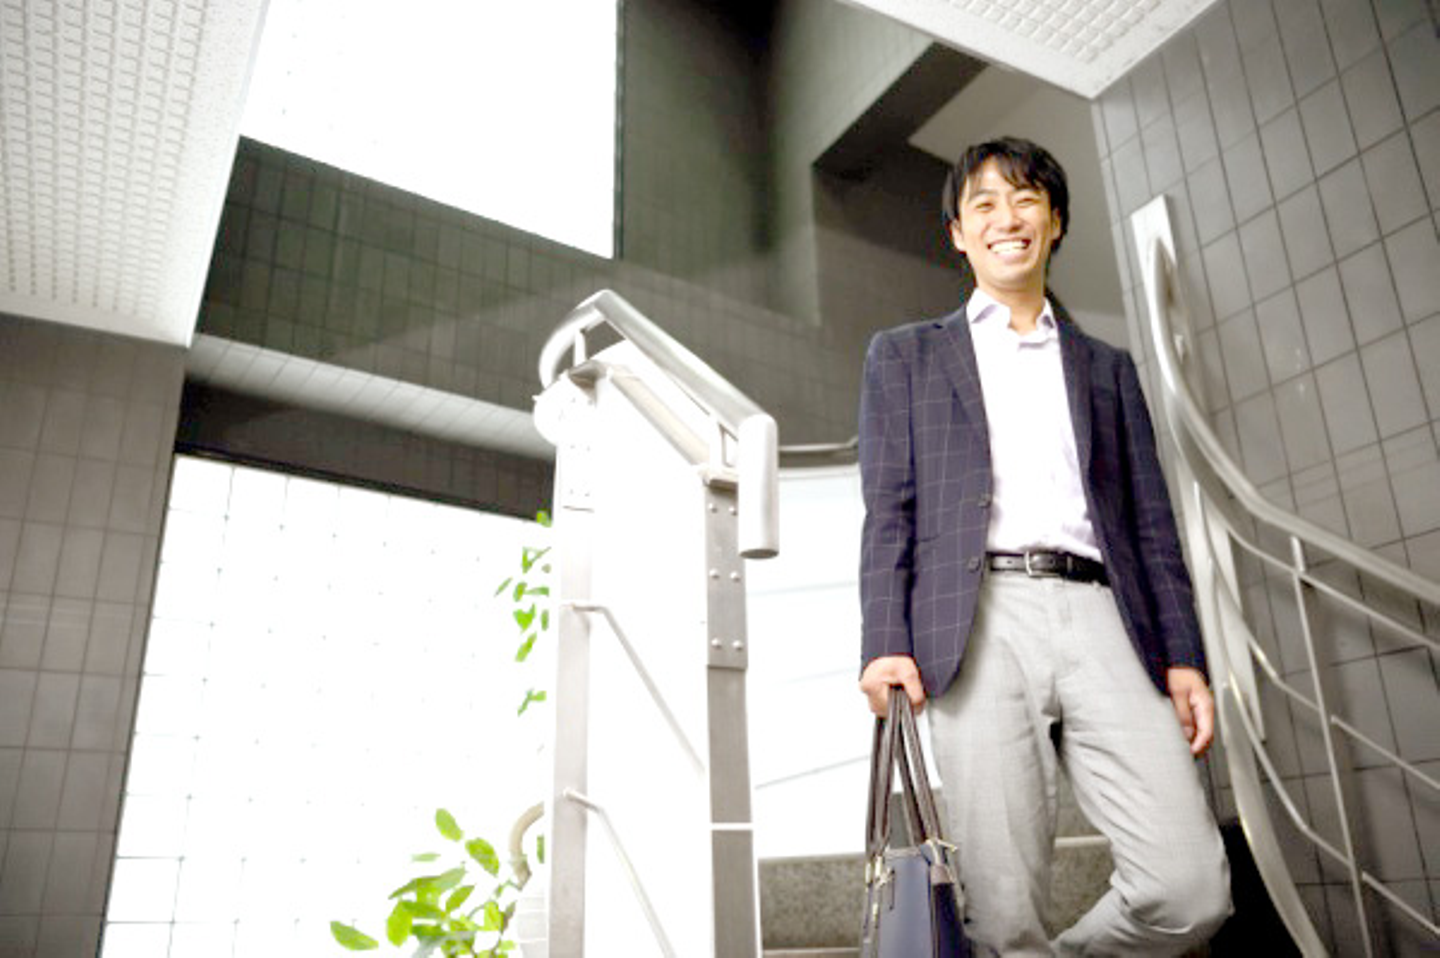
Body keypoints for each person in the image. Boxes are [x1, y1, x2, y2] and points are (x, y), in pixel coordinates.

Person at [857, 136, 1231, 956]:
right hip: (977, 622)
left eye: (1026, 199)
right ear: (958, 233)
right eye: (984, 204)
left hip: (1105, 614)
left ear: (1054, 221)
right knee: (1002, 910)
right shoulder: (907, 356)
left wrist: (1184, 657)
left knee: (1190, 889)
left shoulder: (1107, 368)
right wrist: (885, 641)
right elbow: (888, 511)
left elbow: (1151, 522)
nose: (1007, 218)